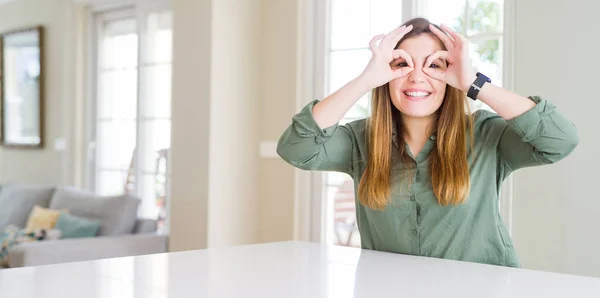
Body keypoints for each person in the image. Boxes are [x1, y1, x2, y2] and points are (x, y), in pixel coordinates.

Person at [276, 17, 579, 267]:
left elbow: (559, 140)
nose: (417, 78)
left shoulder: (487, 134)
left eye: (434, 65)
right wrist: (364, 80)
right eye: (401, 65)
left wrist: (473, 82)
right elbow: (296, 148)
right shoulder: (360, 140)